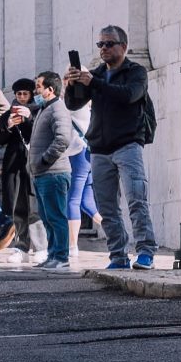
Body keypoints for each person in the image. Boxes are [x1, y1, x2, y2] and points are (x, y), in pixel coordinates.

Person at [64, 25, 159, 271]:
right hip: (99, 148)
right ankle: (118, 255)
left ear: (123, 46)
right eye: (100, 45)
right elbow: (74, 103)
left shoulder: (135, 72)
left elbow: (129, 95)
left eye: (109, 44)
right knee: (106, 207)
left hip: (128, 144)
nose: (103, 49)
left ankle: (146, 251)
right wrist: (72, 84)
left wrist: (94, 82)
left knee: (136, 200)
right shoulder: (96, 74)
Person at [28, 72, 76, 271]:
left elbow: (63, 138)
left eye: (38, 86)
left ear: (50, 89)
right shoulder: (44, 109)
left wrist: (45, 159)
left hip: (53, 172)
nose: (35, 91)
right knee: (47, 217)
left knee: (56, 216)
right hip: (41, 173)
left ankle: (61, 256)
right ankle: (53, 254)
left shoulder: (58, 108)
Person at [0, 79, 41, 262]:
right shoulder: (8, 114)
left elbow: (38, 134)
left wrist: (28, 118)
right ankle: (21, 247)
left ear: (31, 94)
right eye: (19, 94)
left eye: (25, 94)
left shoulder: (38, 112)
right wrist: (9, 125)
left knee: (34, 207)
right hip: (13, 165)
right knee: (17, 206)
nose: (21, 98)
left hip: (33, 164)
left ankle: (39, 246)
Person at [65, 97, 102, 259]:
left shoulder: (76, 107)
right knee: (86, 202)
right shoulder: (89, 108)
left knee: (72, 200)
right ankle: (117, 232)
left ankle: (72, 246)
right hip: (89, 154)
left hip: (78, 154)